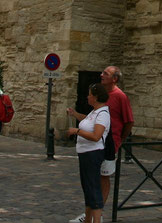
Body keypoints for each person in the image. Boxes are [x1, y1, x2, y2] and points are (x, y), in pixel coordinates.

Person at [68, 65, 134, 223]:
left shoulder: (120, 96)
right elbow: (91, 120)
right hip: (95, 146)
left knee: (102, 178)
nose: (101, 74)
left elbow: (129, 122)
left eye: (106, 73)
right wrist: (75, 114)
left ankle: (98, 213)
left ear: (114, 79)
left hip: (109, 144)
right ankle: (90, 215)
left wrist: (119, 140)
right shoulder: (100, 101)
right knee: (92, 181)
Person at [67, 83, 111, 223]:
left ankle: (96, 220)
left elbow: (96, 136)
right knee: (88, 189)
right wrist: (74, 114)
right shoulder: (94, 112)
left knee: (93, 189)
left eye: (90, 94)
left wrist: (76, 131)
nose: (87, 97)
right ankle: (87, 220)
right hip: (85, 154)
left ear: (96, 97)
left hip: (93, 154)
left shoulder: (103, 113)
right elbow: (87, 121)